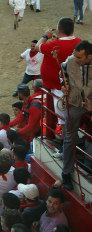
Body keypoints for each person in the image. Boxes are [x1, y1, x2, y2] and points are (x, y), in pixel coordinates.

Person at [34, 18, 82, 147]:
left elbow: (37, 47)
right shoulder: (80, 43)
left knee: (64, 120)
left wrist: (46, 36)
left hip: (59, 89)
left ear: (59, 30)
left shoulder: (53, 45)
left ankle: (66, 147)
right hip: (74, 87)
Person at [60, 40, 92, 191]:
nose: (75, 59)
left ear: (89, 56)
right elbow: (63, 73)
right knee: (69, 137)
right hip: (74, 103)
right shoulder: (69, 62)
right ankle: (66, 172)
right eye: (74, 55)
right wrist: (64, 85)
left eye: (79, 57)